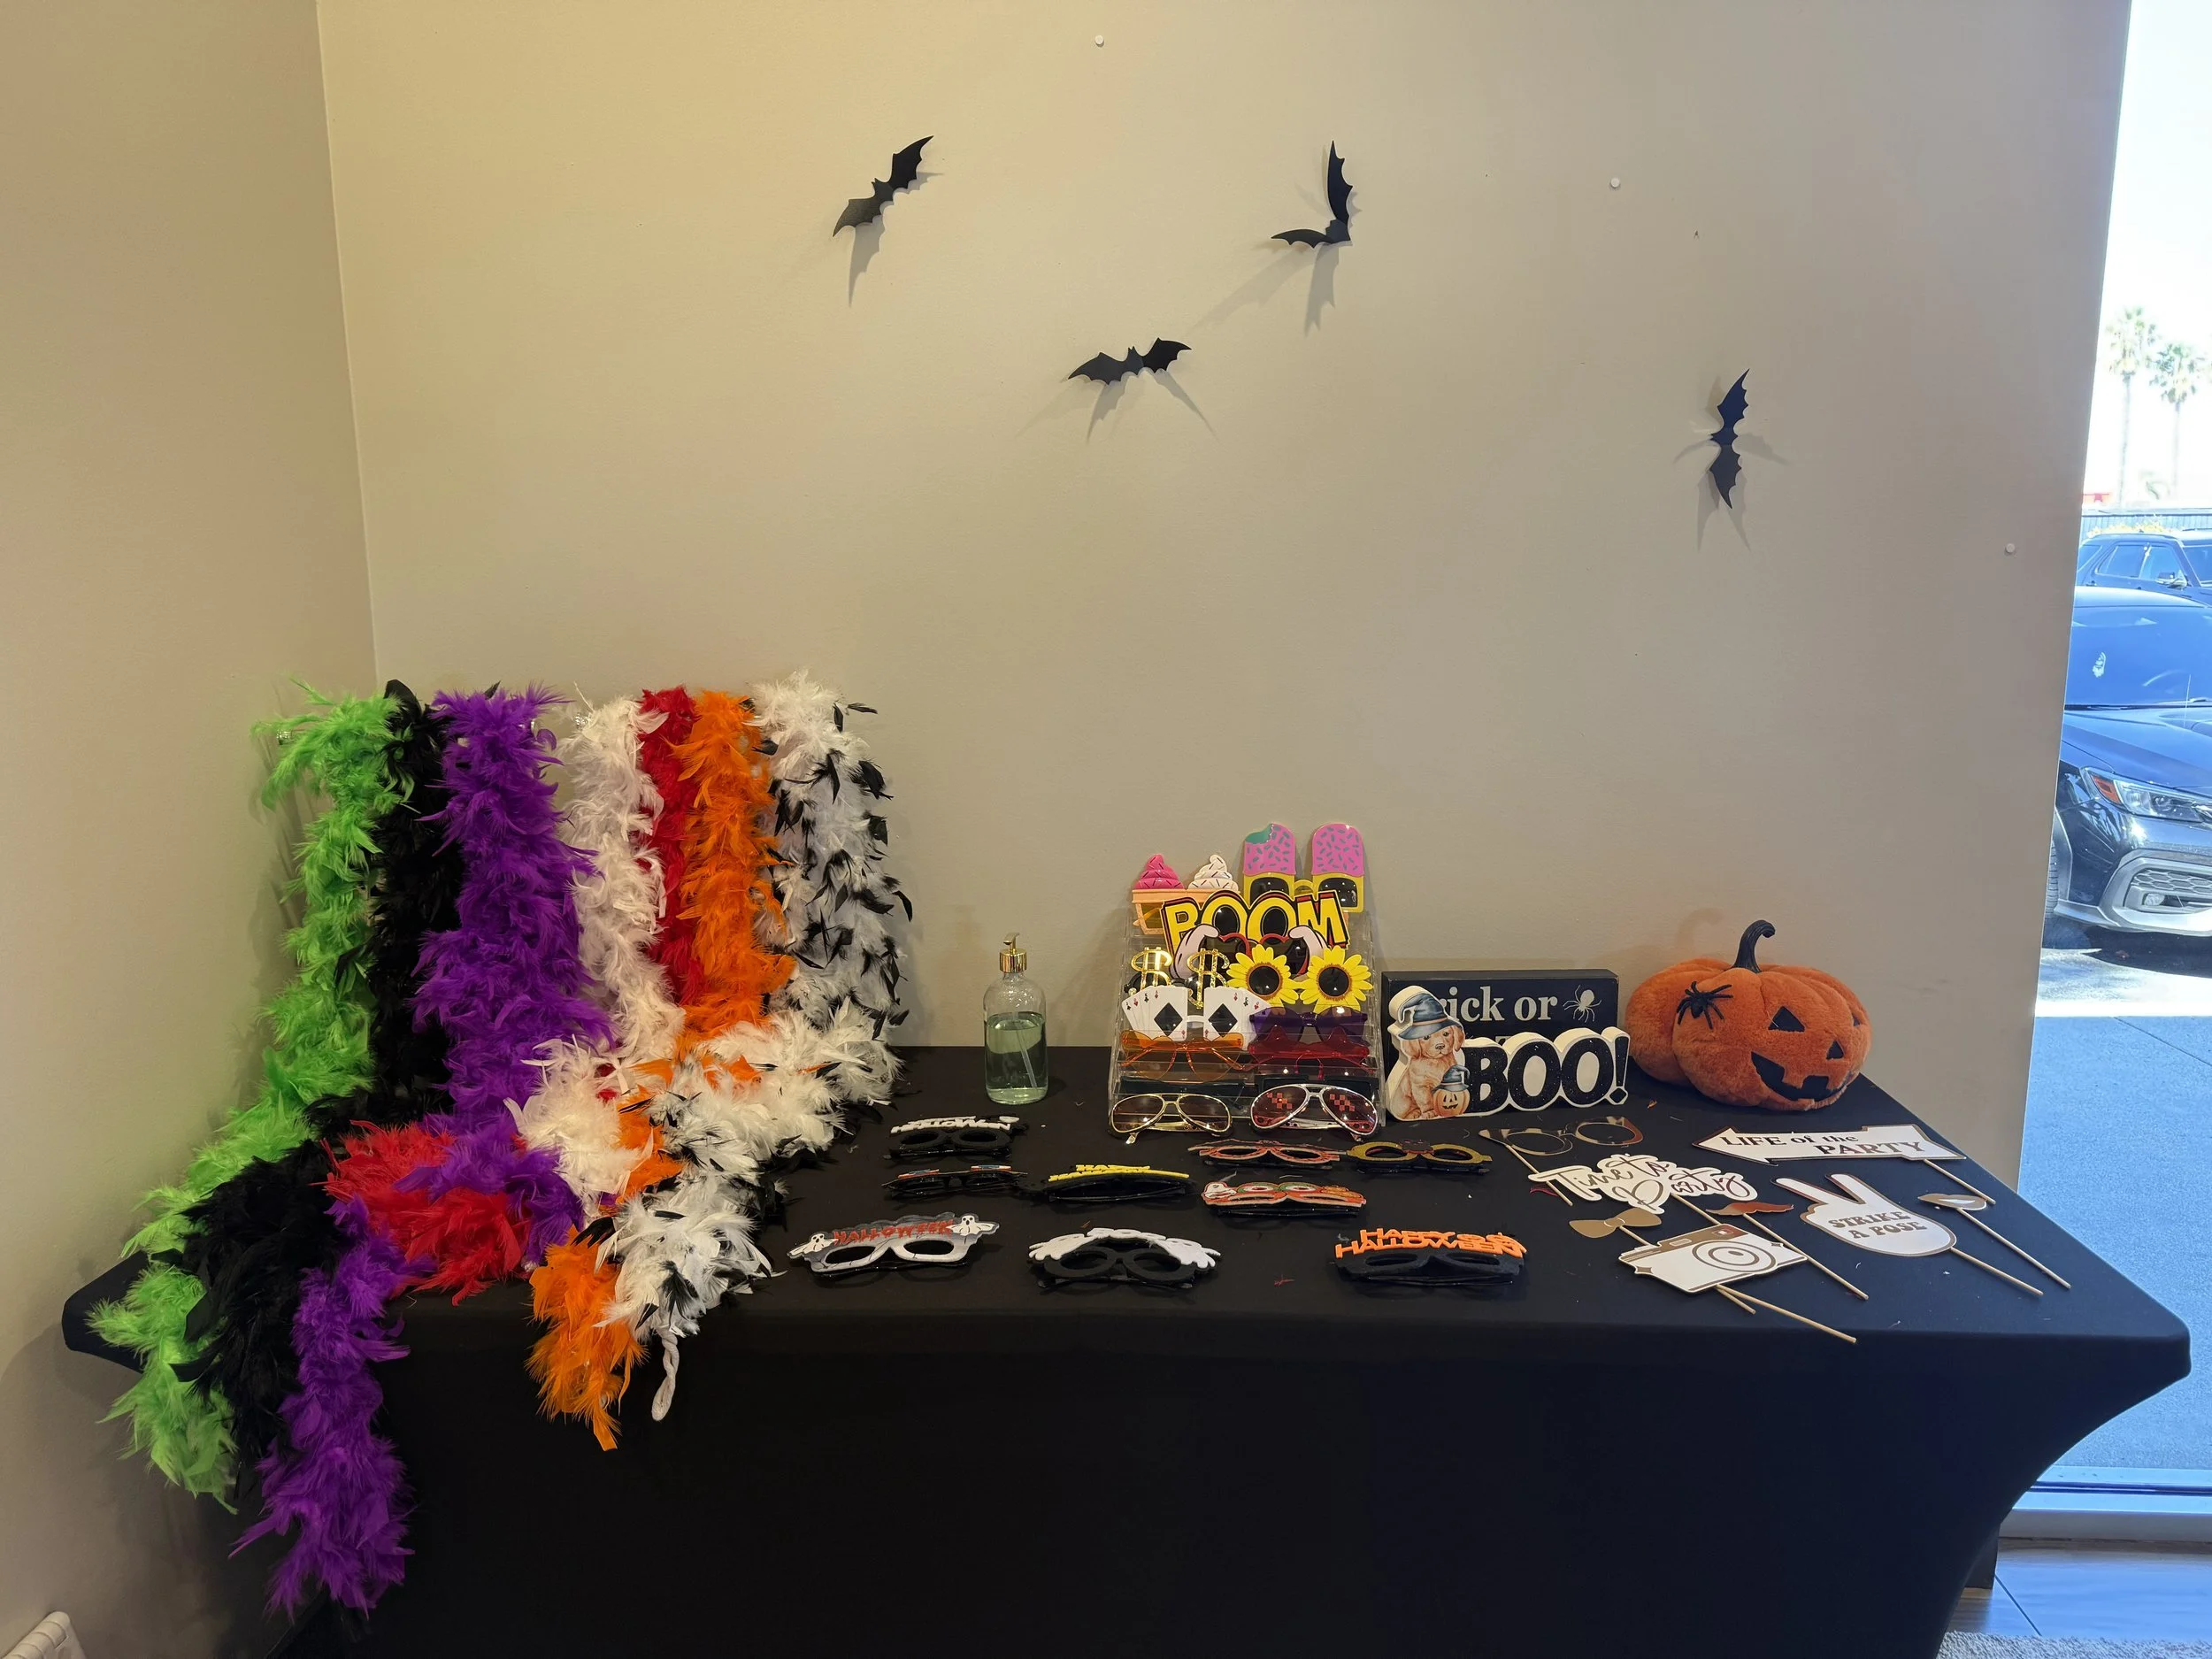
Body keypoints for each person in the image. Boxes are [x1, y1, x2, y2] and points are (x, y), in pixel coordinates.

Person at [1383, 987, 1465, 1120]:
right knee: (1415, 1092)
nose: (1439, 1043)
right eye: (1426, 1037)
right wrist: (1428, 1108)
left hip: (1442, 1107)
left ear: (1455, 1036)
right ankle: (1422, 1109)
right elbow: (1420, 1088)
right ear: (1416, 1043)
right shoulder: (1417, 1065)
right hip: (1408, 1102)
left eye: (1446, 1034)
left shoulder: (1451, 1061)